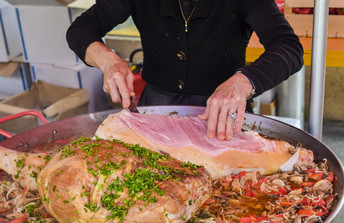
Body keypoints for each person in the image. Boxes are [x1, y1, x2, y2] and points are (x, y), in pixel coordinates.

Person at [66, 0, 303, 141]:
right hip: (156, 108)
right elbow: (82, 28)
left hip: (222, 112)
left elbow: (289, 47)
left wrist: (243, 82)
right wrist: (108, 60)